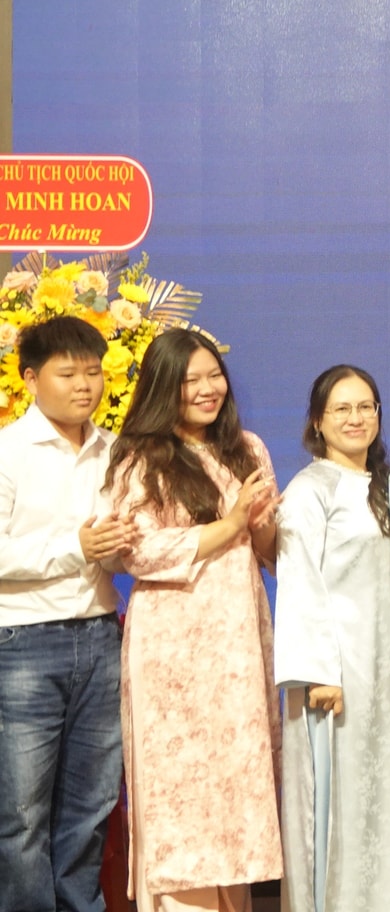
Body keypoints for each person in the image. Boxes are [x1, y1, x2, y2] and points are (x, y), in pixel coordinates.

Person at [108, 328, 281, 912]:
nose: (209, 389)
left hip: (239, 640)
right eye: (191, 381)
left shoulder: (247, 448)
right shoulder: (140, 456)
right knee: (181, 787)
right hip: (173, 646)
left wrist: (261, 526)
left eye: (214, 376)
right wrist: (229, 525)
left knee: (235, 784)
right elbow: (137, 551)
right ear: (164, 387)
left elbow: (269, 551)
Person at [0, 318, 130, 912]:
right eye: (68, 373)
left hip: (102, 636)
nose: (85, 385)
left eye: (94, 372)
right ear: (30, 379)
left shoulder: (115, 451)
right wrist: (74, 548)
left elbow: (120, 547)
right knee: (21, 815)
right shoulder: (8, 451)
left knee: (91, 806)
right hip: (23, 642)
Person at [273, 364, 390, 912]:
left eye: (365, 407)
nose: (356, 419)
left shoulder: (388, 486)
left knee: (382, 800)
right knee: (335, 806)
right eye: (342, 409)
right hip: (335, 674)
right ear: (317, 421)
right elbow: (299, 581)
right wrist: (318, 674)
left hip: (386, 669)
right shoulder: (310, 491)